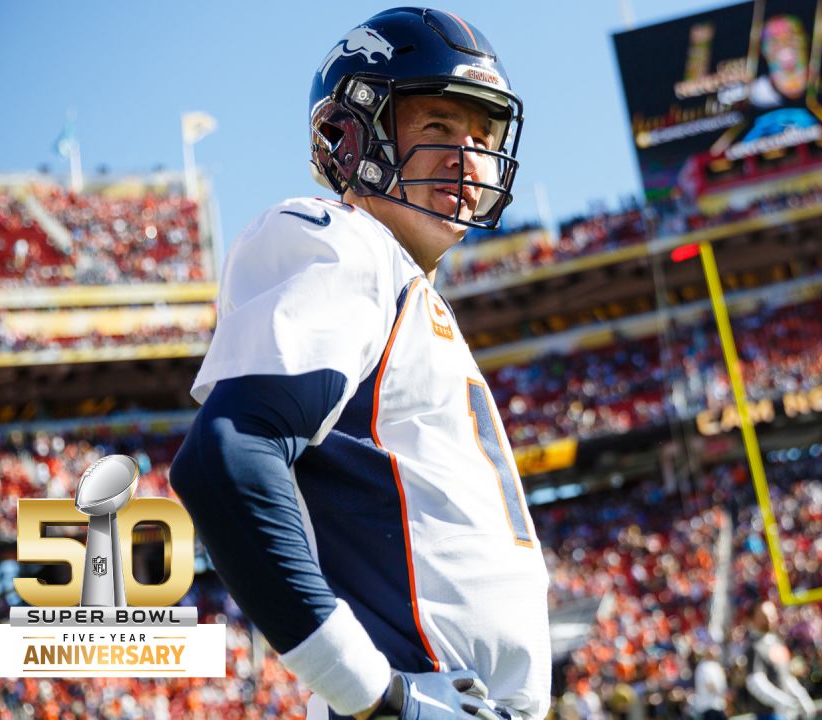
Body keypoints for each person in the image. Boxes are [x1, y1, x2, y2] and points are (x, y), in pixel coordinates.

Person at [168, 8, 549, 720]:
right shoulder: (347, 244)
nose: (468, 157)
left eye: (482, 135)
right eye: (438, 126)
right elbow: (228, 458)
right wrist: (374, 695)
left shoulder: (408, 287)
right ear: (354, 137)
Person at [743, 600, 816, 720]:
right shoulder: (754, 647)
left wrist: (802, 698)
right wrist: (784, 701)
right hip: (769, 714)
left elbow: (786, 677)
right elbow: (755, 683)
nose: (769, 618)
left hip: (786, 713)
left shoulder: (776, 641)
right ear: (752, 619)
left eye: (772, 614)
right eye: (764, 615)